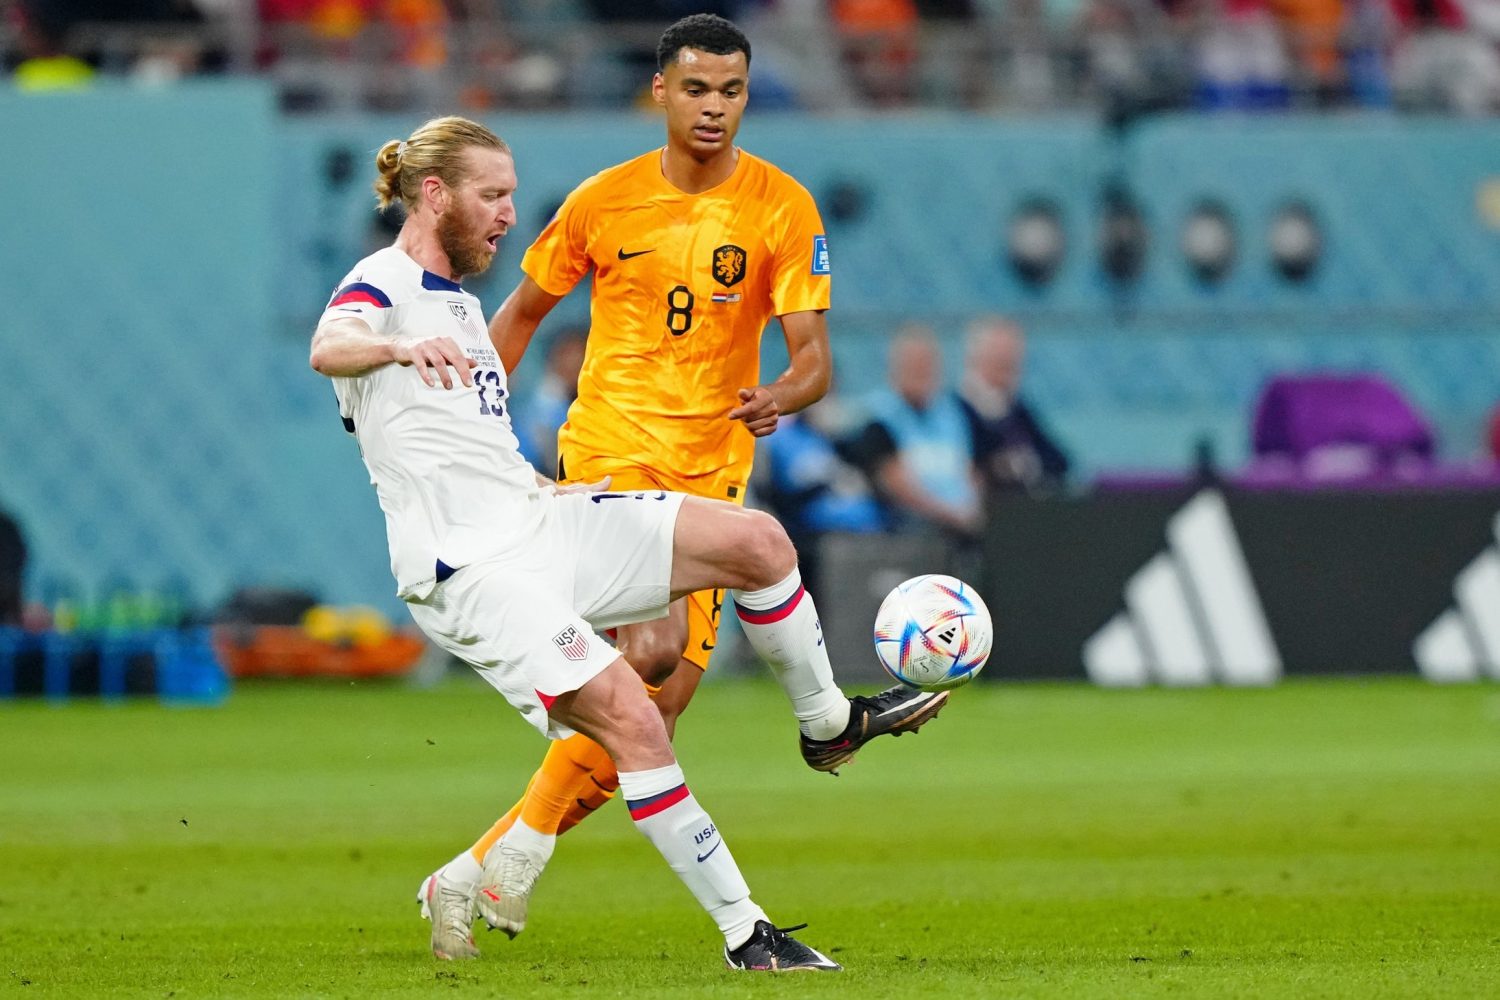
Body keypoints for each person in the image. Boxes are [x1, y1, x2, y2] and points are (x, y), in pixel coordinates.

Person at [310, 115, 942, 970]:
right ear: (434, 194)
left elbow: (467, 448)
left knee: (757, 543)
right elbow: (330, 344)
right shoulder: (382, 283)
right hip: (473, 571)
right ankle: (746, 934)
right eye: (493, 196)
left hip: (538, 522)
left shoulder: (461, 308)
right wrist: (392, 345)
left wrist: (544, 486)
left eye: (511, 196)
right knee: (638, 717)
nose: (507, 213)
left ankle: (828, 721)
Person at [844, 324, 983, 539]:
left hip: (961, 520)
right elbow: (895, 483)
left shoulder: (954, 414)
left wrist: (972, 509)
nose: (921, 372)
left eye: (927, 364)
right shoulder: (879, 418)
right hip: (911, 528)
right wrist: (951, 515)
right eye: (914, 365)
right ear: (895, 368)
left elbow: (970, 470)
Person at [957, 317, 1070, 498]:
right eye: (1001, 360)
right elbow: (973, 465)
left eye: (1014, 361)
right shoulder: (958, 409)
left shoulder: (1018, 409)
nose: (1009, 368)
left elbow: (1060, 461)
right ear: (976, 358)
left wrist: (1024, 465)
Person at [515, 326, 586, 476]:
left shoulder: (576, 396)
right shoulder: (547, 402)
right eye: (567, 354)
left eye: (580, 354)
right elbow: (549, 461)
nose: (575, 361)